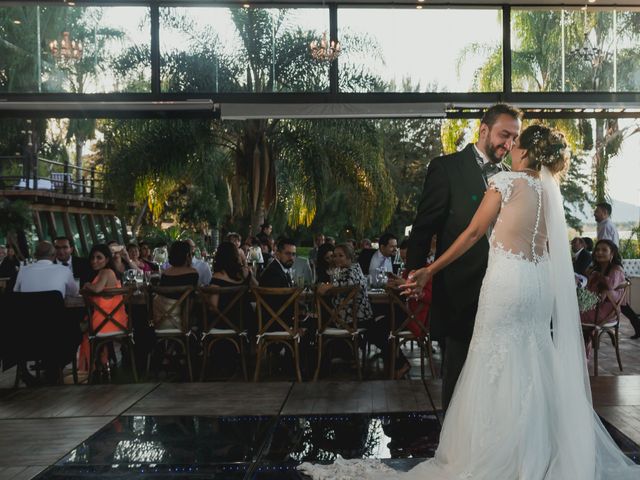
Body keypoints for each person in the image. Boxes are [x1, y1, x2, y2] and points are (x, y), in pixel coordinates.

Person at [302, 125, 640, 479]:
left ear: (524, 152)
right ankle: (536, 451)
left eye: (515, 143)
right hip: (538, 287)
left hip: (509, 284)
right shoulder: (547, 191)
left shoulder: (506, 183)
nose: (509, 146)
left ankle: (491, 453)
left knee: (493, 358)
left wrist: (430, 269)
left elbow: (474, 233)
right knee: (533, 358)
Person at [405, 103, 523, 412]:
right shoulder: (446, 168)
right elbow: (423, 228)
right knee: (458, 380)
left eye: (514, 138)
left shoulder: (513, 179)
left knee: (497, 380)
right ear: (484, 130)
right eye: (504, 135)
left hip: (503, 293)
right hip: (459, 293)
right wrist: (416, 274)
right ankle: (454, 452)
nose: (508, 145)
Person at [580, 239, 630, 355]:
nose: (599, 252)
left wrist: (597, 275)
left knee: (570, 318)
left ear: (612, 253)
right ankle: (582, 353)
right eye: (597, 250)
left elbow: (610, 285)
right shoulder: (597, 268)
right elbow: (589, 289)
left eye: (604, 250)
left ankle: (582, 354)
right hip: (595, 307)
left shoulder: (616, 269)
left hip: (606, 312)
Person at [14, 241, 78, 298]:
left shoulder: (23, 270)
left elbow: (16, 292)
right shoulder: (65, 270)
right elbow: (74, 293)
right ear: (54, 255)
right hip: (56, 310)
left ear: (35, 255)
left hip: (28, 310)